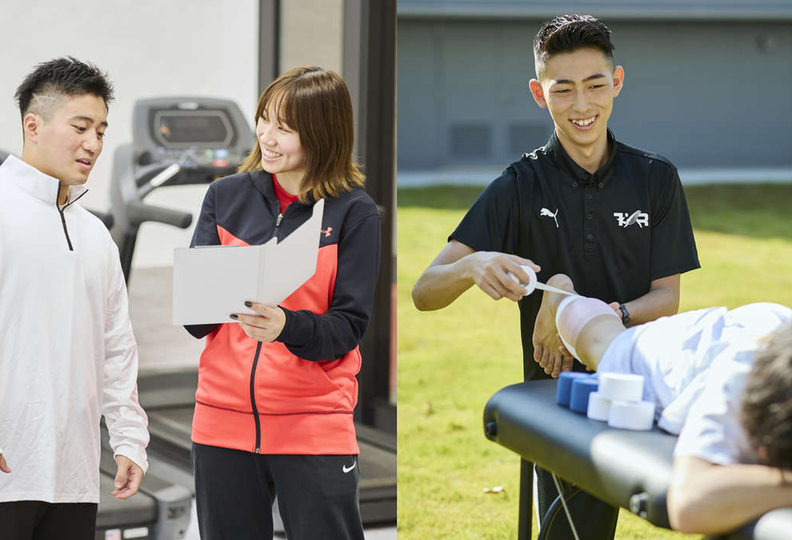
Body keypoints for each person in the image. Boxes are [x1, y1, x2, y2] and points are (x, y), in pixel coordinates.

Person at [412, 14, 700, 540]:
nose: (581, 105)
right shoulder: (518, 185)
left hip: (633, 385)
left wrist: (594, 313)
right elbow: (424, 292)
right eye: (562, 89)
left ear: (616, 82)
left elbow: (667, 298)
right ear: (538, 94)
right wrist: (472, 266)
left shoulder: (657, 179)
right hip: (554, 395)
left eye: (594, 85)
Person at [185, 65, 381, 540]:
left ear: (322, 134)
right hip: (220, 423)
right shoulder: (225, 196)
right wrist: (209, 296)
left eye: (286, 128)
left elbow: (347, 328)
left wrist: (286, 327)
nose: (268, 138)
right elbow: (195, 323)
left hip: (314, 425)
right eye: (265, 120)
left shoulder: (354, 212)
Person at [0, 57, 149, 540]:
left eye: (101, 131)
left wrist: (129, 439)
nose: (93, 144)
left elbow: (117, 347)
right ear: (33, 125)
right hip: (6, 471)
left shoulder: (95, 235)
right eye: (81, 127)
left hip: (73, 477)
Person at [535, 273, 792, 535]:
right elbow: (691, 502)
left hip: (765, 327)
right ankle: (562, 296)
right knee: (603, 341)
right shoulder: (739, 380)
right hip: (675, 349)